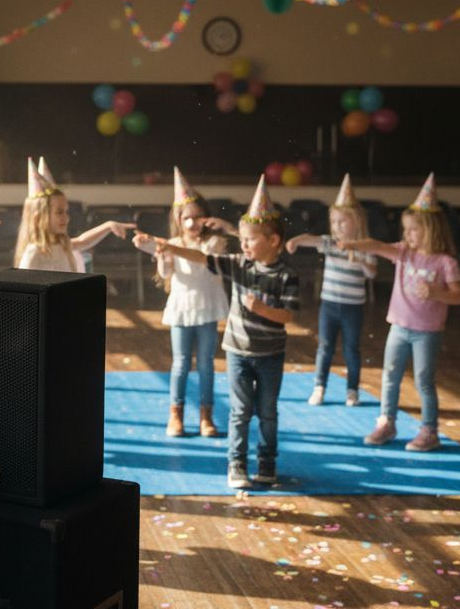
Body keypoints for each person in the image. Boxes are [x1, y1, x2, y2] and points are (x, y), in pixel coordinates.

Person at [155, 177, 299, 489]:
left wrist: (262, 310)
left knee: (268, 413)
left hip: (271, 354)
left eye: (250, 240)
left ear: (273, 242)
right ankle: (236, 464)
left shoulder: (286, 275)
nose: (243, 245)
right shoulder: (238, 265)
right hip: (237, 352)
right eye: (242, 240)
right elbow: (203, 258)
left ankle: (266, 463)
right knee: (239, 412)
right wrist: (169, 247)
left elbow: (287, 315)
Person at [341, 173, 460, 452]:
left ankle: (429, 430)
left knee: (423, 380)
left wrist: (436, 293)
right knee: (390, 375)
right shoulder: (403, 252)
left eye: (413, 230)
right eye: (405, 230)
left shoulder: (445, 262)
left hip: (427, 331)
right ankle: (387, 422)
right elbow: (378, 246)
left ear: (431, 230)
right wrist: (352, 244)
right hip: (399, 325)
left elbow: (458, 296)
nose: (407, 235)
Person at [131, 167, 233, 438]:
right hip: (181, 307)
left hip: (207, 307)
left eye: (198, 216)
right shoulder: (172, 242)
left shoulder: (214, 243)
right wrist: (161, 254)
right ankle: (175, 414)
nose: (193, 222)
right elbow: (165, 274)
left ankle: (206, 416)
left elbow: (211, 265)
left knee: (207, 364)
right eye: (188, 217)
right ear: (178, 219)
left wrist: (167, 247)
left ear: (206, 217)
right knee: (180, 363)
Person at [285, 174, 376, 407]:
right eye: (334, 222)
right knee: (325, 347)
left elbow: (372, 273)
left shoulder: (366, 246)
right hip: (329, 306)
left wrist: (361, 260)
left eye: (342, 222)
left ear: (356, 222)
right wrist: (296, 240)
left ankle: (352, 390)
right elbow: (311, 239)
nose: (337, 226)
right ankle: (319, 387)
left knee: (351, 349)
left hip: (353, 307)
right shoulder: (330, 243)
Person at [14, 156, 134, 272]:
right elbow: (24, 290)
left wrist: (108, 226)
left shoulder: (63, 245)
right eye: (59, 212)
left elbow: (83, 241)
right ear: (38, 218)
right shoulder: (33, 254)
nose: (66, 217)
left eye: (66, 211)